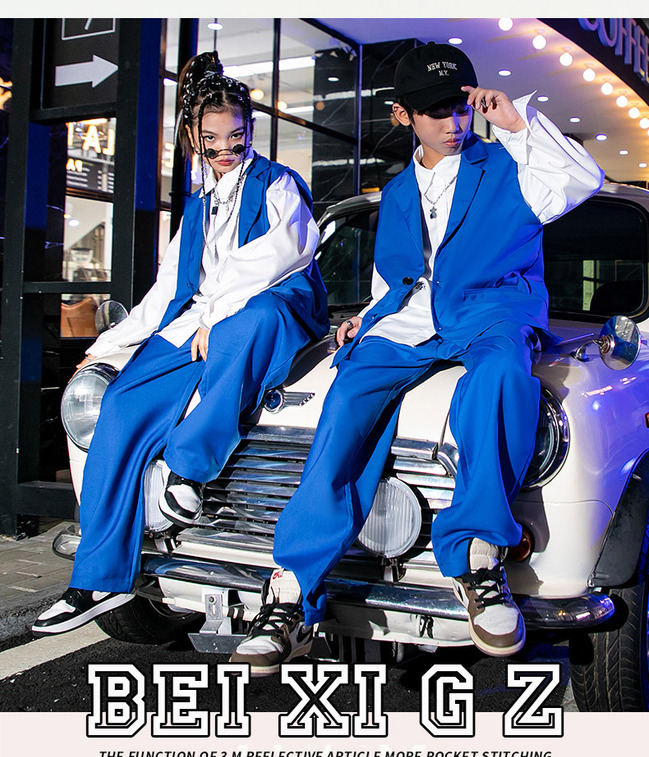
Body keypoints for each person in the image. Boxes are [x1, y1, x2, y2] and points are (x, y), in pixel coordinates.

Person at [229, 42, 604, 676]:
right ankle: (293, 589)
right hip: (410, 321)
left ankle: (478, 559)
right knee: (345, 398)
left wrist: (517, 124)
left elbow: (581, 181)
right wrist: (368, 318)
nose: (453, 122)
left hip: (492, 311)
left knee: (500, 376)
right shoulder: (398, 191)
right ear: (403, 115)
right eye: (435, 111)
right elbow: (394, 278)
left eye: (459, 107)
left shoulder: (509, 164)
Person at [32, 51, 329, 636]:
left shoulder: (277, 183)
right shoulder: (197, 206)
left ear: (249, 130)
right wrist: (111, 344)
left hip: (273, 309)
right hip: (197, 320)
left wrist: (215, 315)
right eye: (212, 139)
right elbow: (168, 287)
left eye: (236, 136)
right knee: (121, 401)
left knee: (252, 320)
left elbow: (280, 254)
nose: (226, 149)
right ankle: (95, 577)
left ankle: (188, 469)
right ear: (194, 137)